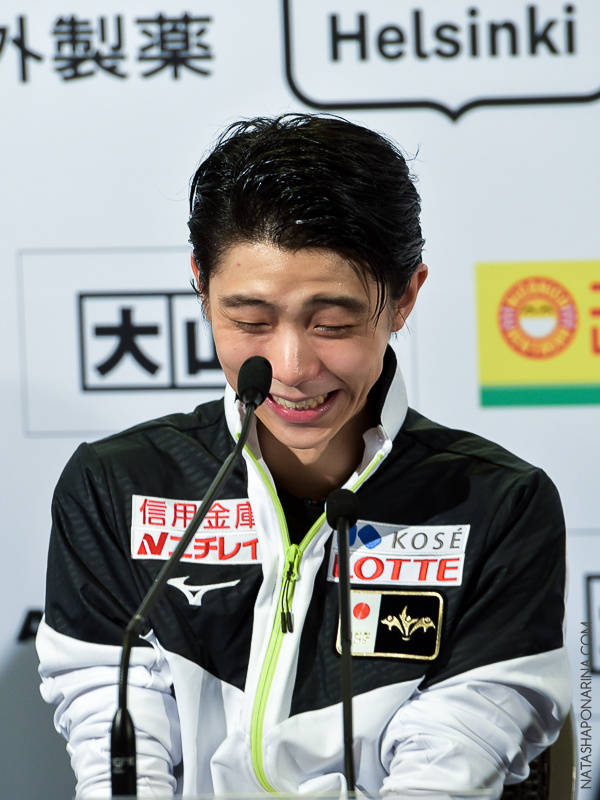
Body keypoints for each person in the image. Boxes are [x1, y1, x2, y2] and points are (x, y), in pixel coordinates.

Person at [36, 114, 571, 799]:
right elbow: (117, 751)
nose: (290, 367)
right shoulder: (119, 485)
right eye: (251, 321)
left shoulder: (497, 505)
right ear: (201, 287)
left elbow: (452, 767)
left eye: (333, 324)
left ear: (405, 297)